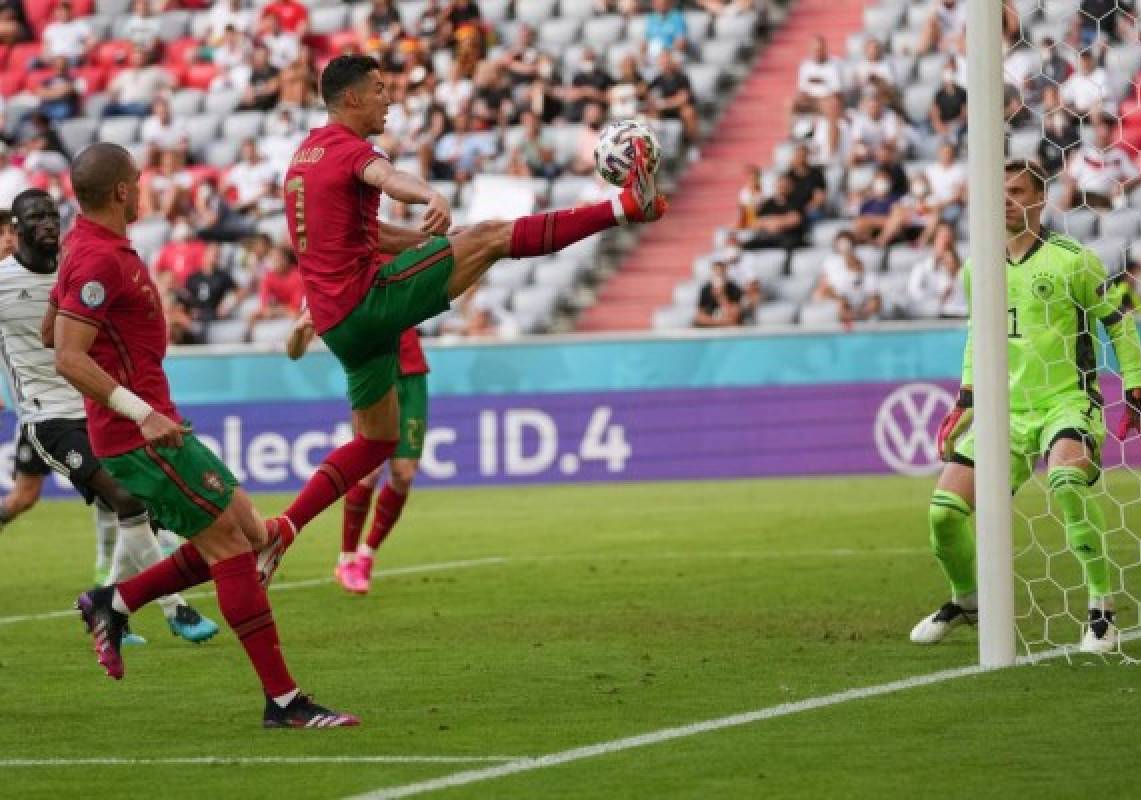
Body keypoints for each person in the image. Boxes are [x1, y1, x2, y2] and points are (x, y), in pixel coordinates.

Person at [271, 54, 665, 547]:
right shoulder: (350, 149)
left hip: (340, 328)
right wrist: (430, 196)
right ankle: (625, 205)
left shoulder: (307, 155)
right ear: (350, 98)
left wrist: (430, 241)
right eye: (378, 89)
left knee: (375, 442)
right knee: (493, 237)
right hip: (366, 303)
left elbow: (366, 235)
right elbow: (386, 178)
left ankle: (284, 528)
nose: (388, 99)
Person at [57, 143, 358, 728]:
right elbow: (68, 355)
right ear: (122, 191)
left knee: (247, 530)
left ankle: (114, 602)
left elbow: (53, 328)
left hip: (154, 426)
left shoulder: (86, 247)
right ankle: (285, 702)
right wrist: (137, 409)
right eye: (138, 181)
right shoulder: (97, 258)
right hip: (142, 435)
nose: (144, 189)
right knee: (234, 548)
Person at [911, 159, 1141, 655]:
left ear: (1039, 199)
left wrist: (1135, 394)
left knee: (1067, 482)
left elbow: (1122, 322)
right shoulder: (977, 267)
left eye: (1016, 191)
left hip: (1067, 403)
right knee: (943, 514)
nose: (1005, 200)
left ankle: (1102, 610)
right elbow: (977, 334)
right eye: (998, 191)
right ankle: (967, 602)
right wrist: (966, 399)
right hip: (1004, 411)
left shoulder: (1075, 258)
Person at [0, 189, 219, 642]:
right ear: (16, 230)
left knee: (131, 505)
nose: (46, 224)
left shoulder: (76, 270)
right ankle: (175, 609)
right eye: (34, 218)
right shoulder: (2, 282)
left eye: (51, 215)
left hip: (97, 407)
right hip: (50, 420)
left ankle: (106, 610)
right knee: (122, 498)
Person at [286, 312, 429, 594]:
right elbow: (294, 352)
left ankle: (367, 553)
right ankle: (347, 558)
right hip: (371, 369)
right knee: (369, 468)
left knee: (404, 473)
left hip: (411, 373)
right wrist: (300, 328)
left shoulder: (394, 265)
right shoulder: (328, 278)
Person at [694, 257, 750, 327]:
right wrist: (719, 322)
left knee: (734, 317)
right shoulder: (706, 289)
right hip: (714, 319)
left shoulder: (733, 288)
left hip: (727, 315)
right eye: (716, 272)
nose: (718, 275)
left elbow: (735, 313)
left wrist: (721, 297)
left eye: (721, 273)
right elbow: (700, 313)